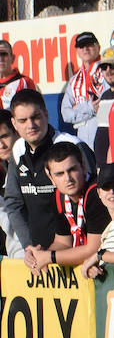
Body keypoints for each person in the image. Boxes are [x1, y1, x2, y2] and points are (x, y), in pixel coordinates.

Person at [4, 89, 97, 251]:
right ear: (14, 124)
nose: (30, 125)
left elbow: (94, 199)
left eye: (35, 117)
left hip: (80, 254)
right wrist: (28, 246)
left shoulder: (72, 145)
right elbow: (13, 204)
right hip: (39, 254)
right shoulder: (17, 150)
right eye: (23, 120)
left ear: (46, 114)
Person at [23, 144, 111, 275]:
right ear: (50, 177)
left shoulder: (97, 192)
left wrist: (50, 257)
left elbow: (93, 249)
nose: (68, 179)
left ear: (83, 166)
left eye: (72, 170)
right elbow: (63, 243)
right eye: (59, 174)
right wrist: (39, 256)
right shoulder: (58, 197)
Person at [61, 31, 105, 146]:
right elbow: (66, 114)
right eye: (81, 46)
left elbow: (103, 105)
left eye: (89, 45)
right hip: (83, 139)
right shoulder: (74, 81)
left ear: (98, 47)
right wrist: (89, 108)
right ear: (77, 51)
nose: (85, 49)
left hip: (105, 135)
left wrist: (77, 108)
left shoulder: (107, 71)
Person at [0, 109, 20, 256]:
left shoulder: (29, 165)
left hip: (29, 254)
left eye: (4, 137)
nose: (1, 145)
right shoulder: (6, 167)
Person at [0, 39, 36, 109]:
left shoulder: (24, 82)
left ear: (12, 58)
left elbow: (33, 111)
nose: (1, 58)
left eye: (4, 54)